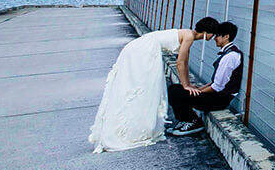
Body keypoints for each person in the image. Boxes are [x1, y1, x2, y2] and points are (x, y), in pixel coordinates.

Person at [88, 16, 219, 152]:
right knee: (145, 88)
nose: (214, 37)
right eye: (213, 33)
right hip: (144, 51)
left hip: (143, 47)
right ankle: (136, 127)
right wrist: (186, 86)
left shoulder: (188, 34)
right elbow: (180, 62)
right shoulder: (189, 36)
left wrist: (188, 84)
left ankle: (136, 125)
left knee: (142, 88)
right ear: (206, 32)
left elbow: (184, 63)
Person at [166, 20, 243, 137]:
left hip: (219, 100)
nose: (214, 38)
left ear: (226, 37)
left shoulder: (230, 57)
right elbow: (215, 82)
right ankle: (186, 120)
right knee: (176, 88)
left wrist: (198, 92)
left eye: (217, 35)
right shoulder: (229, 53)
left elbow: (217, 87)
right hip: (217, 96)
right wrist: (198, 89)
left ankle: (192, 122)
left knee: (177, 93)